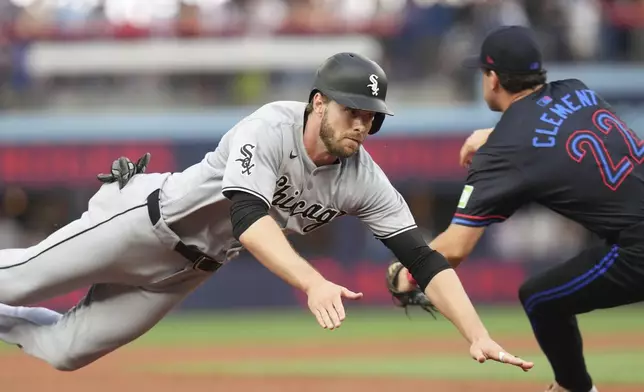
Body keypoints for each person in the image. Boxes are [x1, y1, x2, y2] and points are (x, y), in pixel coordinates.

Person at [0, 52, 532, 373]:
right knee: (16, 282)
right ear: (319, 102)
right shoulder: (272, 126)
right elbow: (248, 221)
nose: (363, 126)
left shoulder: (363, 178)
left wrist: (475, 332)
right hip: (142, 223)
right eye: (353, 111)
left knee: (67, 352)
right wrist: (313, 282)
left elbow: (425, 258)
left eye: (372, 118)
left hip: (183, 273)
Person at [386, 25, 644, 392]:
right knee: (545, 295)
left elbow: (455, 248)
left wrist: (406, 271)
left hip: (638, 248)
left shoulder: (503, 153)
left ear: (492, 79)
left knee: (541, 298)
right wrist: (493, 135)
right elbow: (555, 131)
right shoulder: (577, 89)